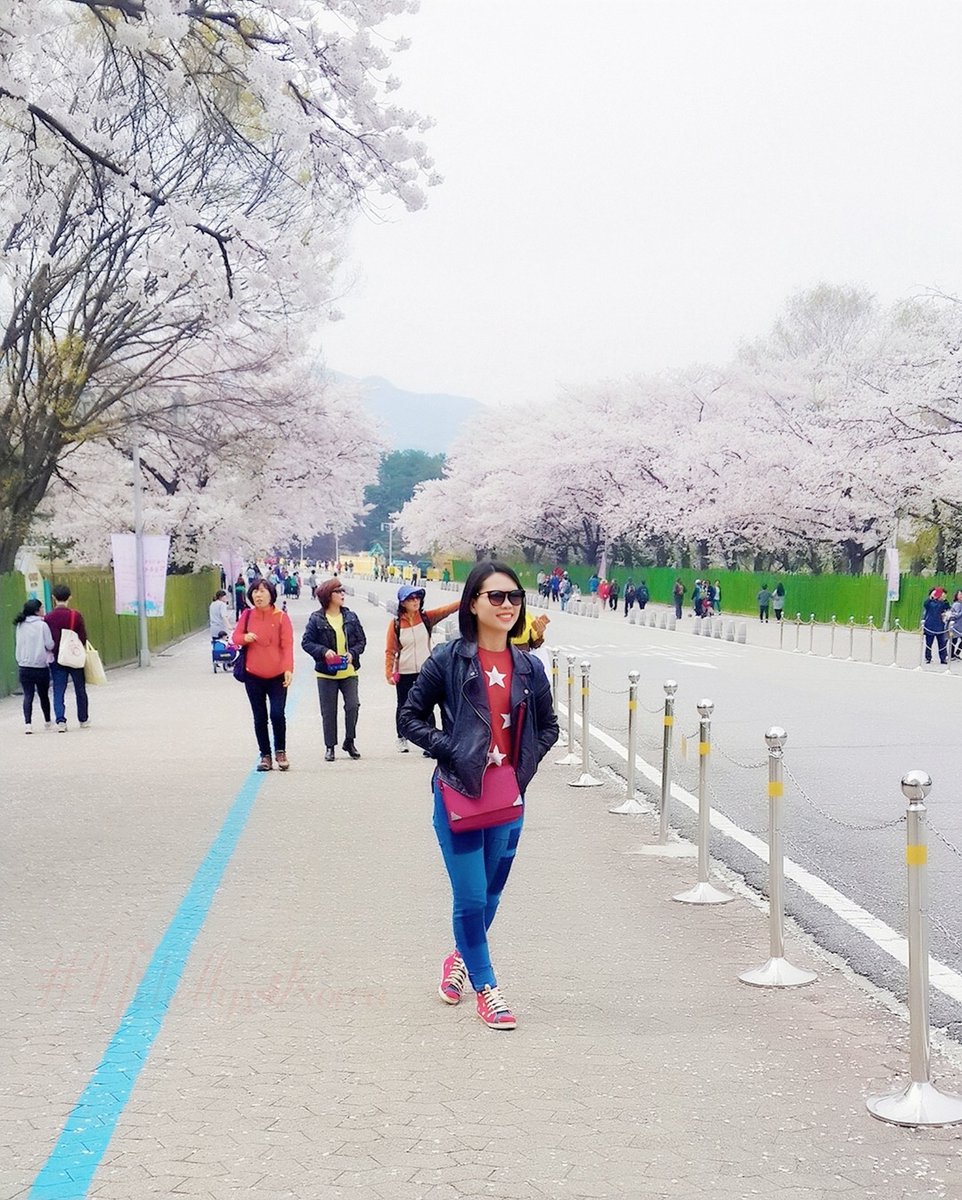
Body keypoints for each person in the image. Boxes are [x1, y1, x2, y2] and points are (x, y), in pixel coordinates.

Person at [399, 562, 559, 1031]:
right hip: (458, 793)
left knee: (490, 894)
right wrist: (458, 752)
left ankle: (460, 958)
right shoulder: (449, 660)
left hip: (508, 800)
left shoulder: (529, 666)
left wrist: (522, 766)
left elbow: (549, 726)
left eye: (514, 597)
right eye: (495, 597)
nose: (507, 605)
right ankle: (487, 989)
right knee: (470, 897)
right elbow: (409, 718)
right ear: (473, 603)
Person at [385, 585, 460, 753]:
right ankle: (402, 737)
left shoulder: (426, 618)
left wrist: (466, 600)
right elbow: (390, 650)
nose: (415, 601)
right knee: (403, 705)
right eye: (411, 599)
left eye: (417, 598)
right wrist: (389, 672)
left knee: (428, 705)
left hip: (426, 670)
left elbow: (446, 610)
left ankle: (430, 742)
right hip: (404, 671)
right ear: (403, 602)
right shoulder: (396, 624)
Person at [231, 579, 294, 771]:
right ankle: (265, 755)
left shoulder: (281, 617)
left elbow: (287, 645)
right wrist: (245, 638)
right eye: (255, 592)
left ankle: (280, 751)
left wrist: (288, 669)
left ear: (271, 594)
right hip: (253, 675)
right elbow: (235, 638)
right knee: (259, 717)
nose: (258, 595)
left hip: (277, 675)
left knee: (277, 714)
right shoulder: (247, 615)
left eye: (262, 591)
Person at [302, 578, 367, 760]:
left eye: (342, 591)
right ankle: (330, 746)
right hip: (326, 672)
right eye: (338, 591)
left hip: (349, 671)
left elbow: (362, 640)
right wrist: (324, 651)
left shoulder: (351, 617)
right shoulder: (317, 619)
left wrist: (352, 653)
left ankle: (350, 741)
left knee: (353, 705)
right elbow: (306, 642)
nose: (342, 594)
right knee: (329, 711)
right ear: (328, 596)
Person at [45, 584, 90, 731]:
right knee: (80, 688)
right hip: (74, 656)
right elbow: (82, 637)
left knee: (58, 689)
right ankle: (83, 719)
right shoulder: (75, 616)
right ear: (70, 597)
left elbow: (48, 639)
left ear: (53, 598)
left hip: (58, 657)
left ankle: (61, 721)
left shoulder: (48, 618)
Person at [14, 598, 54, 733]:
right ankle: (47, 721)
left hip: (24, 666)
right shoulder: (43, 625)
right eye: (41, 608)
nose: (43, 610)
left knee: (28, 695)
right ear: (37, 611)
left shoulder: (20, 625)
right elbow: (50, 644)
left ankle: (28, 724)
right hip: (40, 666)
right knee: (43, 695)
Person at [922, 586, 950, 665]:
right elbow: (925, 604)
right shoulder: (930, 603)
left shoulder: (943, 603)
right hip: (930, 625)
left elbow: (948, 608)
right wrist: (931, 597)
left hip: (940, 626)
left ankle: (943, 658)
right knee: (929, 643)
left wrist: (944, 599)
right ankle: (928, 657)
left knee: (942, 643)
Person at [948, 591, 962, 661]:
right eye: (960, 594)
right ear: (956, 596)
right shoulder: (956, 604)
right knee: (953, 640)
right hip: (955, 625)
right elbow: (955, 615)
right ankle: (951, 655)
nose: (961, 596)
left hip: (960, 625)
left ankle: (956, 653)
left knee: (955, 640)